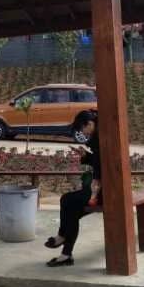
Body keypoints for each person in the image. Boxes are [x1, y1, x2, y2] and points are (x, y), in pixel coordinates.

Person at [44, 111, 99, 267]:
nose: (82, 133)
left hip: (103, 190)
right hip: (102, 186)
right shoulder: (98, 138)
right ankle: (66, 254)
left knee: (67, 201)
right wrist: (85, 156)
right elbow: (98, 161)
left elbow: (101, 166)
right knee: (70, 209)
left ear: (90, 124)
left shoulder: (100, 139)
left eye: (82, 129)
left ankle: (63, 240)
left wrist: (94, 191)